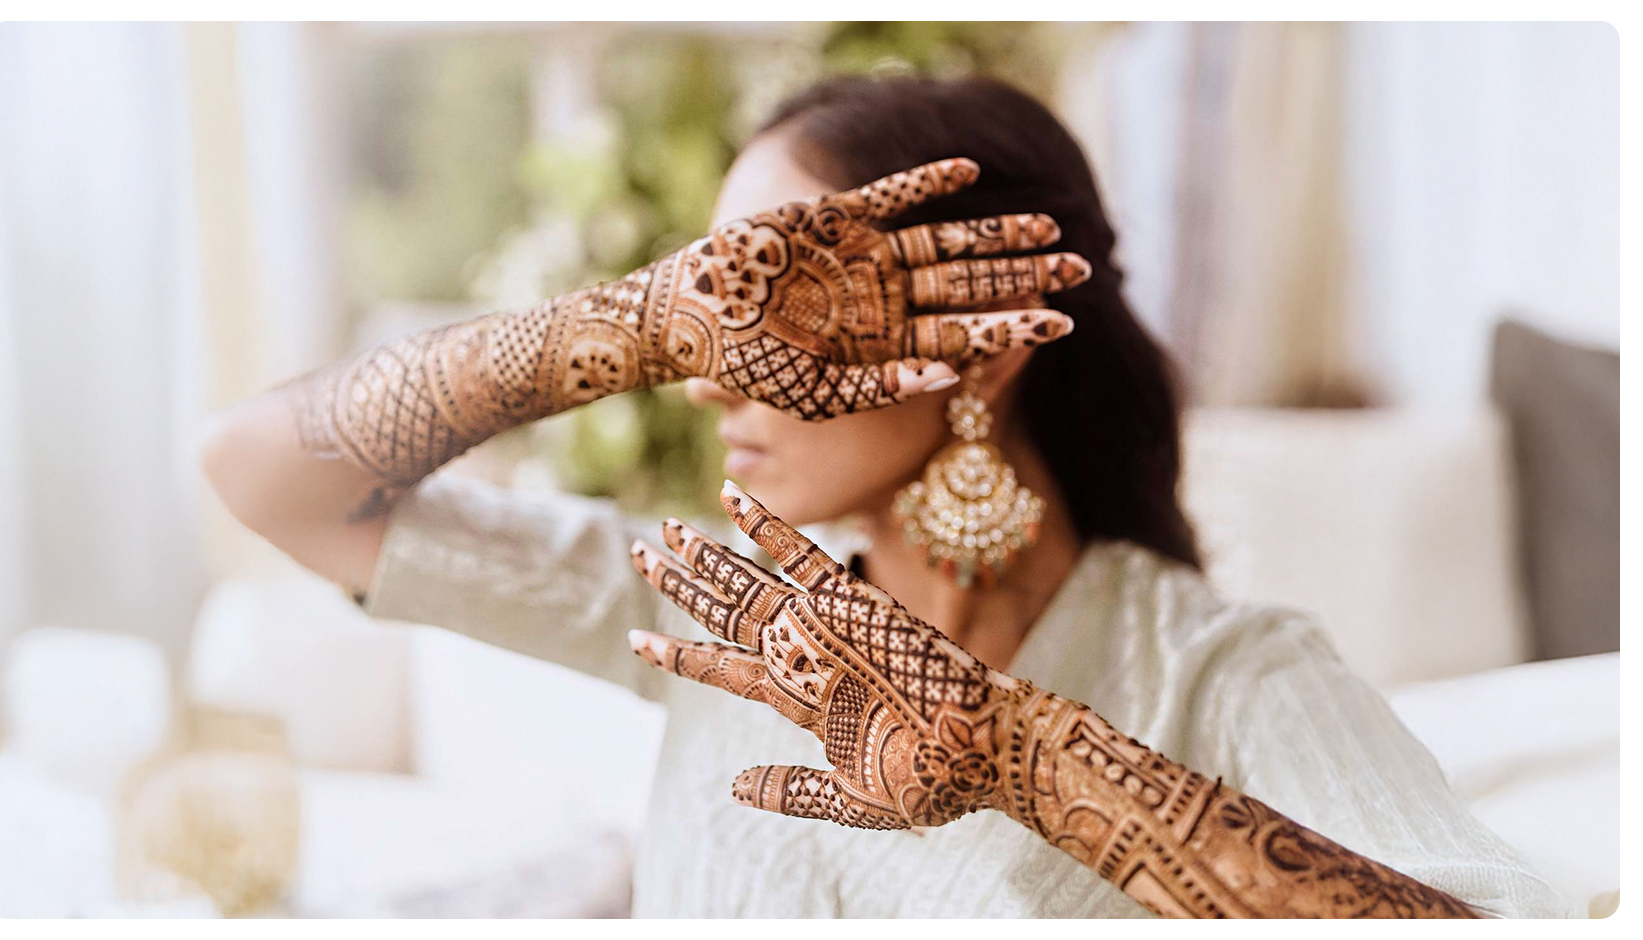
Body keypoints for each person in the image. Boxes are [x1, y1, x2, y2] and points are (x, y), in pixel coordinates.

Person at [202, 75, 1571, 917]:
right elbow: (262, 473)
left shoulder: (1223, 677)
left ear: (978, 334)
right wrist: (629, 320)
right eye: (697, 313)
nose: (707, 368)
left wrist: (1024, 763)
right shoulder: (728, 617)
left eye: (766, 309)